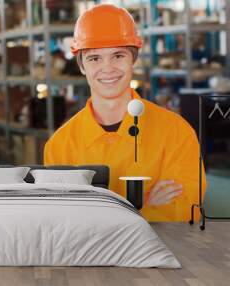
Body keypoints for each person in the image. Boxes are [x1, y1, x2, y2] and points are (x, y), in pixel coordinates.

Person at [43, 3, 206, 222]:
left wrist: (101, 216)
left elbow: (185, 209)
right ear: (82, 66)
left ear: (134, 59)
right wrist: (145, 208)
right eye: (94, 58)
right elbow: (62, 219)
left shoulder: (176, 133)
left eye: (118, 56)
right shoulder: (60, 146)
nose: (107, 68)